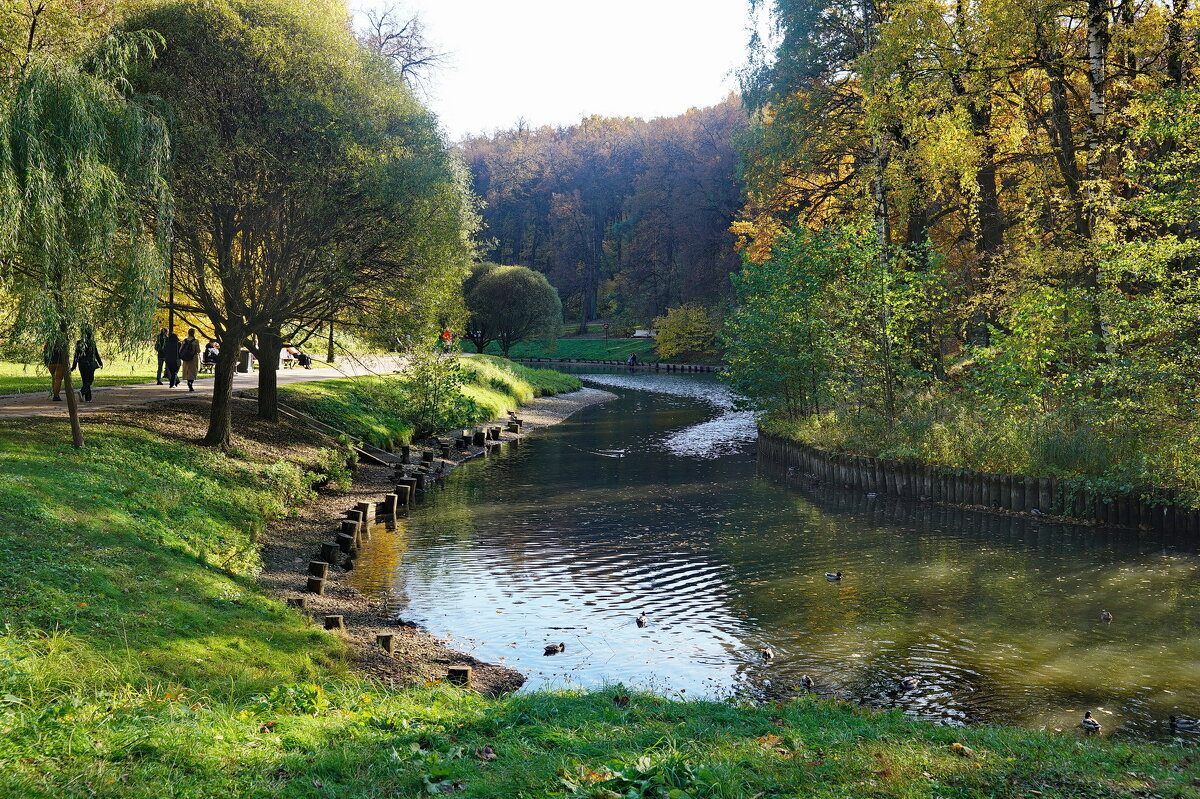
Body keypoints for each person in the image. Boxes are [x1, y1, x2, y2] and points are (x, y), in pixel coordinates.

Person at [71, 326, 104, 402]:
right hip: (90, 363)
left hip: (81, 363)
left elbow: (76, 355)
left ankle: (88, 398)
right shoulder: (92, 342)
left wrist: (74, 366)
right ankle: (82, 392)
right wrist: (100, 362)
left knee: (85, 380)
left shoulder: (79, 342)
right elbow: (96, 353)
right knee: (89, 380)